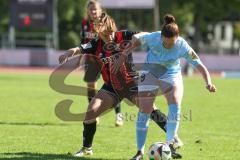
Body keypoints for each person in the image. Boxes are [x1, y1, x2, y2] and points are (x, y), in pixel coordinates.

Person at [58, 12, 181, 160]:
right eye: (105, 34)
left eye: (111, 32)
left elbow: (145, 34)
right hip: (111, 88)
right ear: (98, 32)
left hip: (132, 84)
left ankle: (173, 140)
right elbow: (79, 48)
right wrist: (67, 53)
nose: (109, 36)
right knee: (91, 111)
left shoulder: (123, 36)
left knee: (149, 108)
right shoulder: (96, 44)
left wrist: (139, 38)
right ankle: (86, 148)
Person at [113, 14, 217, 159]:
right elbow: (136, 41)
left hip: (171, 74)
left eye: (171, 43)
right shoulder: (154, 37)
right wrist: (124, 54)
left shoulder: (182, 45)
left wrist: (208, 82)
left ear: (177, 37)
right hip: (150, 72)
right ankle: (139, 152)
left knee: (175, 101)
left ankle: (169, 145)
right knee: (145, 110)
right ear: (161, 37)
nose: (168, 45)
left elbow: (199, 65)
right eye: (165, 43)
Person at [81, 0, 123, 127]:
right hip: (92, 59)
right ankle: (94, 113)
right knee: (91, 86)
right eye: (91, 9)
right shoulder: (84, 23)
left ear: (100, 10)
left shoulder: (106, 21)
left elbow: (115, 38)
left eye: (95, 9)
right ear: (88, 11)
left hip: (107, 58)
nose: (93, 11)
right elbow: (83, 40)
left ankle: (118, 116)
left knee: (113, 85)